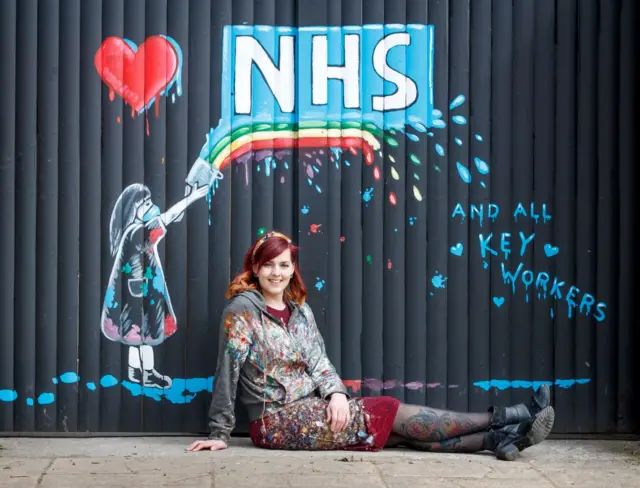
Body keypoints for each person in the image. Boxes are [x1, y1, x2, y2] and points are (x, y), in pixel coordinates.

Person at [187, 231, 555, 461]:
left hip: (313, 408)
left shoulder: (299, 311)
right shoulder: (242, 312)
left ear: (292, 268)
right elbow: (227, 370)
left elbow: (320, 363)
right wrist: (219, 433)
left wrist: (335, 394)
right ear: (255, 267)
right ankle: (510, 416)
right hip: (275, 421)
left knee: (396, 434)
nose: (277, 273)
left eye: (284, 265)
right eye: (268, 265)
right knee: (389, 410)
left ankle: (502, 441)